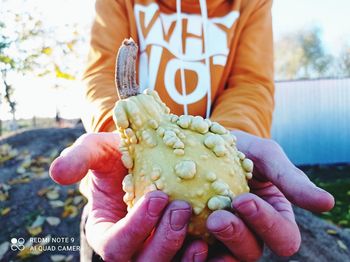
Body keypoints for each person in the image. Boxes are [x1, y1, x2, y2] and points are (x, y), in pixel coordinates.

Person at [50, 0, 335, 261]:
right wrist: (125, 139)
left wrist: (226, 142)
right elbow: (99, 74)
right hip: (121, 203)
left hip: (223, 204)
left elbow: (250, 85)